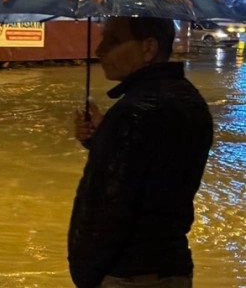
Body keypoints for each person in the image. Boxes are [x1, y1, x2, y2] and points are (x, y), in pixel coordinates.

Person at [68, 16, 213, 288]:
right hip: (174, 267)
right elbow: (155, 168)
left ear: (148, 48)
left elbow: (106, 208)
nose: (100, 50)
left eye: (113, 40)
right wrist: (102, 139)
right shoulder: (188, 98)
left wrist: (85, 275)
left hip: (128, 276)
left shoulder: (131, 113)